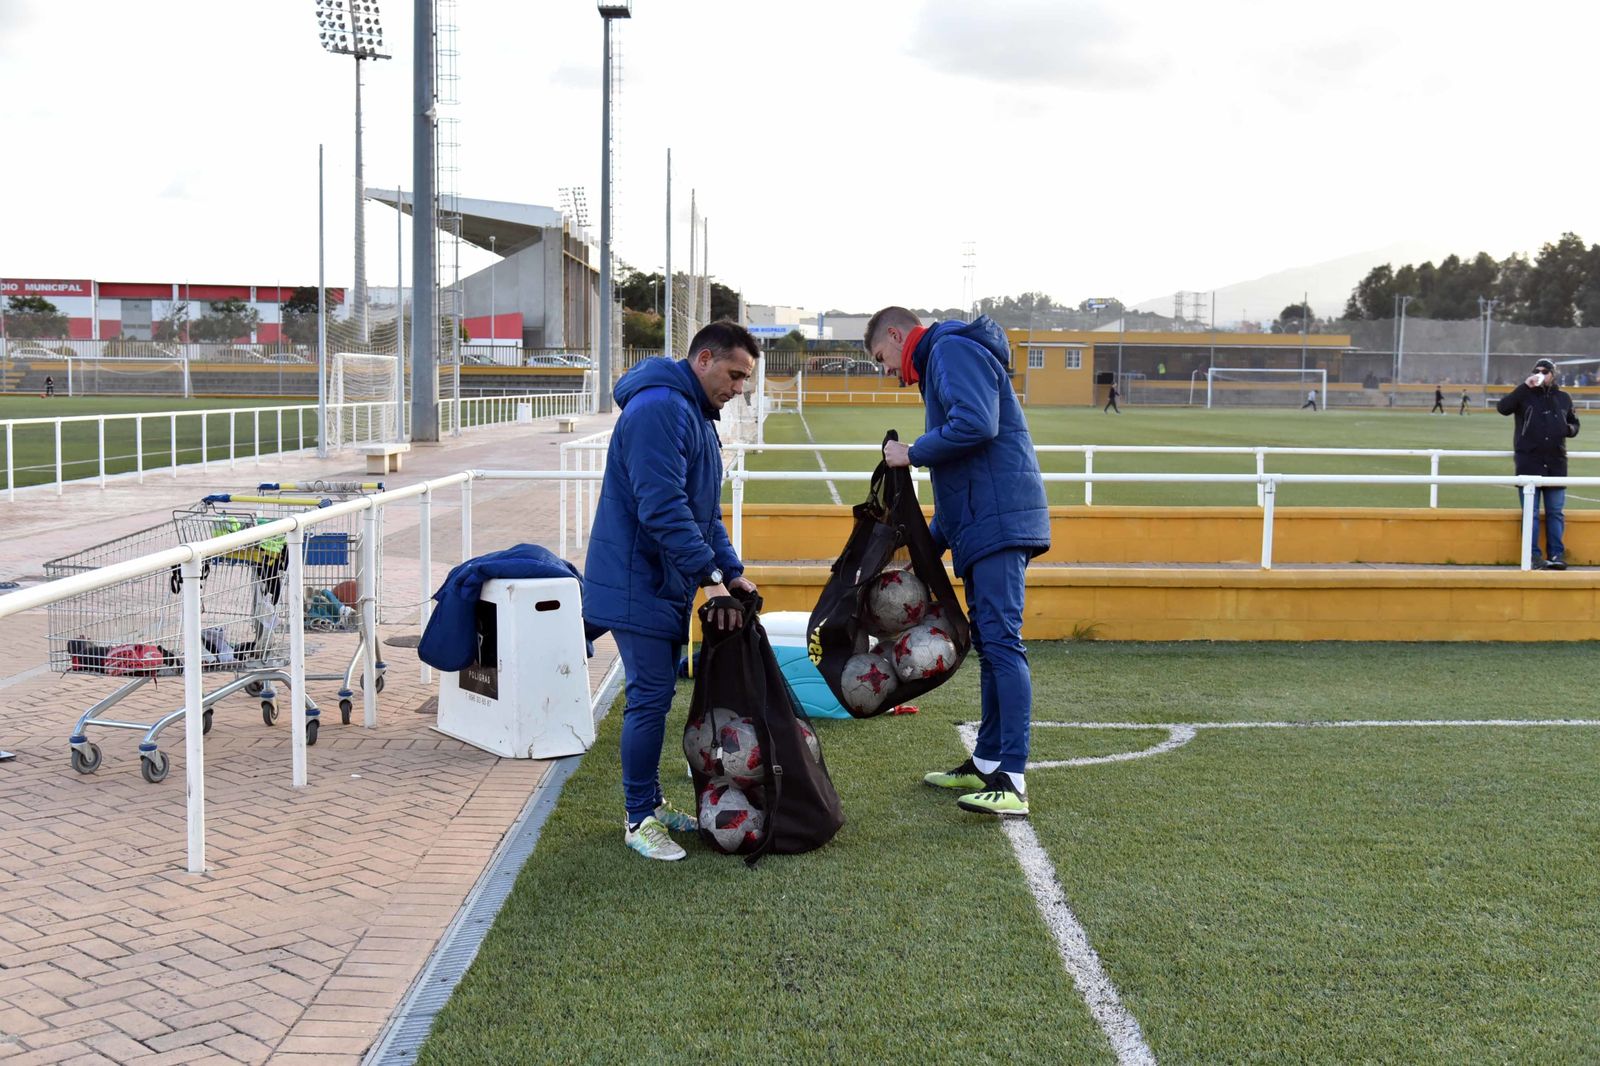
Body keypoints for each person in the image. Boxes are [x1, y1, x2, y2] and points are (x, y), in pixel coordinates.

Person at [583, 321, 761, 860]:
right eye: (734, 374)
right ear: (704, 359)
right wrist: (710, 580)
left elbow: (701, 513)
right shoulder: (661, 408)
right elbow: (661, 509)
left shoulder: (693, 414)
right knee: (649, 699)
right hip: (638, 578)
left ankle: (652, 805)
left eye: (745, 380)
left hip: (661, 580)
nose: (738, 389)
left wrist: (729, 571)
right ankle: (639, 819)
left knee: (655, 700)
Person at [865, 306, 1050, 818]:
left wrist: (912, 452)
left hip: (998, 523)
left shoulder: (948, 349)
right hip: (984, 520)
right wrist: (925, 549)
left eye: (881, 357)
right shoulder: (943, 358)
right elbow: (962, 476)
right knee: (992, 645)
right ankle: (988, 759)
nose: (885, 370)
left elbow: (977, 424)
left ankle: (1011, 779)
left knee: (1002, 642)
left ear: (898, 336)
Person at [1497, 358, 1580, 570]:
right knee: (1531, 514)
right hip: (1529, 462)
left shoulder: (1563, 398)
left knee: (1555, 512)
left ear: (1553, 374)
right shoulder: (1524, 395)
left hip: (1556, 463)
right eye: (1537, 370)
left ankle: (1556, 555)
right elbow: (1503, 408)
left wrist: (1569, 430)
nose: (1541, 373)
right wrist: (1525, 386)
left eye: (1545, 371)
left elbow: (1574, 423)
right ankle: (1533, 556)